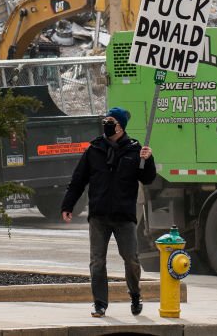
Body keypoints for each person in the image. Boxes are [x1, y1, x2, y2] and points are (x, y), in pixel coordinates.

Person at [61, 106, 155, 318]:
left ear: (120, 126)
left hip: (124, 216)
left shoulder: (135, 150)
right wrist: (68, 205)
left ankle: (135, 294)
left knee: (131, 259)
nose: (106, 124)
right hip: (99, 216)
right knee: (97, 261)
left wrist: (148, 160)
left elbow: (147, 178)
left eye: (110, 121)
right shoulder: (94, 149)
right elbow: (78, 180)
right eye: (105, 120)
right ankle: (100, 303)